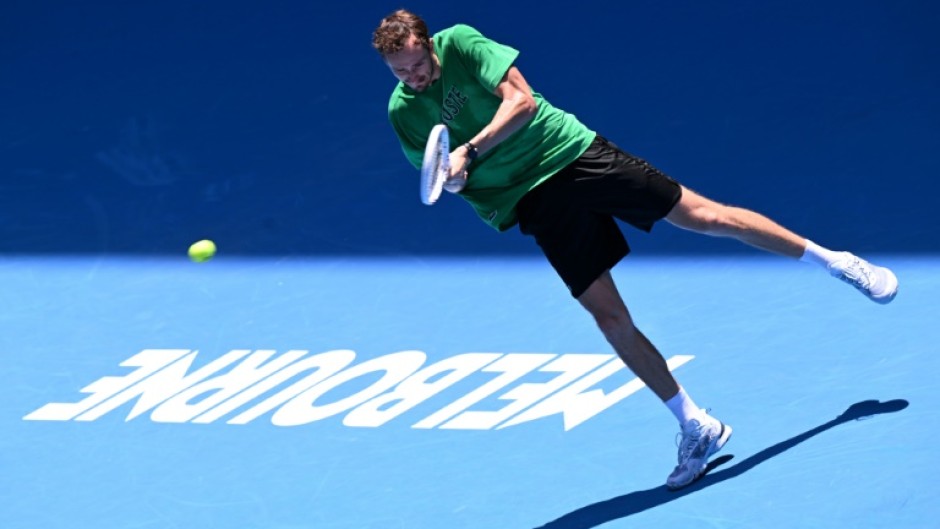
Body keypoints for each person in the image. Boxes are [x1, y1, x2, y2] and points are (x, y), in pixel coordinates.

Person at [371, 9, 898, 490]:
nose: (414, 77)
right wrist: (460, 179)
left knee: (704, 216)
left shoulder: (461, 43)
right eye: (402, 73)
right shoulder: (403, 113)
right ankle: (696, 424)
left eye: (418, 64)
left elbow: (522, 102)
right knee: (609, 318)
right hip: (530, 200)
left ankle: (835, 262)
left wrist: (469, 149)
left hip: (570, 153)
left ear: (430, 46)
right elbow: (445, 177)